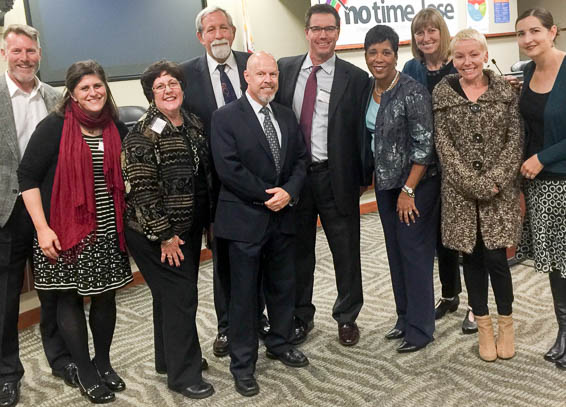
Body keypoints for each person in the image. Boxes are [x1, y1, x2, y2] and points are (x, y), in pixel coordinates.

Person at [18, 60, 132, 403]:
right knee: (68, 298)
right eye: (85, 88)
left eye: (98, 86)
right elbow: (28, 177)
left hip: (108, 230)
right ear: (73, 94)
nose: (93, 92)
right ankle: (84, 369)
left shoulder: (115, 125)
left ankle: (104, 363)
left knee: (105, 297)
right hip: (63, 230)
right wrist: (41, 228)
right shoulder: (54, 126)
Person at [211, 51, 308, 397]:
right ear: (246, 78)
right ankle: (243, 364)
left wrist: (289, 192)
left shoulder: (285, 114)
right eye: (261, 74)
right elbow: (229, 169)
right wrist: (271, 194)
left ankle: (280, 343)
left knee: (283, 287)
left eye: (273, 74)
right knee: (244, 297)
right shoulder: (225, 118)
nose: (268, 80)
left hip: (283, 218)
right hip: (244, 222)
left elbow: (300, 159)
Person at [277, 3, 369, 347]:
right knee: (299, 253)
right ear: (307, 33)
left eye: (330, 29)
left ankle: (347, 317)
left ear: (338, 32)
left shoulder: (356, 78)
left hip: (335, 177)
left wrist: (361, 179)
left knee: (346, 252)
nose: (323, 35)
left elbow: (361, 134)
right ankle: (301, 316)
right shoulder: (285, 70)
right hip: (296, 181)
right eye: (317, 29)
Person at [180, 5, 269, 358]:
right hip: (215, 188)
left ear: (233, 32)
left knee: (263, 252)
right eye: (210, 29)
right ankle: (226, 326)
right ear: (200, 37)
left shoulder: (253, 64)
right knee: (224, 259)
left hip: (258, 178)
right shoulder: (186, 75)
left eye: (223, 28)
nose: (218, 35)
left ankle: (259, 317)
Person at [122, 60, 214, 399]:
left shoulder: (193, 123)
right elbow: (142, 190)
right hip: (153, 233)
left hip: (186, 228)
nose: (168, 90)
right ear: (150, 95)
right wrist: (164, 236)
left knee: (168, 296)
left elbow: (203, 177)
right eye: (160, 86)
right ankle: (182, 374)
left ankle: (169, 359)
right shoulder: (141, 134)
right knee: (180, 297)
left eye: (172, 83)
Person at [433, 28, 522, 362]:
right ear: (452, 59)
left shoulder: (504, 91)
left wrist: (494, 181)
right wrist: (472, 184)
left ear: (485, 55)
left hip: (500, 192)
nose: (466, 62)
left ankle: (507, 324)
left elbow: (515, 141)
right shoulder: (443, 93)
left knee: (498, 259)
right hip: (459, 194)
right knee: (470, 258)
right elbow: (444, 146)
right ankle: (483, 325)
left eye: (473, 54)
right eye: (459, 55)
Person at [0, 24, 75, 407]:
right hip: (7, 212)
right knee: (6, 297)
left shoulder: (56, 98)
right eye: (17, 52)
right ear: (4, 53)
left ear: (40, 55)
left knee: (55, 291)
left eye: (31, 51)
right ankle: (7, 374)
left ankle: (61, 359)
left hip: (49, 210)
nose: (25, 58)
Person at [362, 25, 438, 353]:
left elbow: (425, 146)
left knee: (414, 252)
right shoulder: (366, 89)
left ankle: (420, 329)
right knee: (394, 251)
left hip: (415, 185)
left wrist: (408, 190)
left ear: (396, 55)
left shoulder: (412, 91)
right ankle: (403, 317)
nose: (379, 59)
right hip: (386, 185)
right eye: (373, 52)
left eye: (386, 52)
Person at [402, 8, 477, 334]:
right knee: (439, 236)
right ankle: (450, 294)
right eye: (420, 33)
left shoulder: (457, 64)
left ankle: (478, 304)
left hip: (458, 163)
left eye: (432, 31)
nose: (426, 38)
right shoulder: (410, 68)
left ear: (441, 33)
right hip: (425, 167)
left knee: (467, 234)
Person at [514, 8, 566, 370]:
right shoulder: (528, 71)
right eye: (521, 33)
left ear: (553, 32)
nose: (528, 39)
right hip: (538, 185)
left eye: (535, 31)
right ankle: (564, 331)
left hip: (563, 177)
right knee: (556, 264)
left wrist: (543, 157)